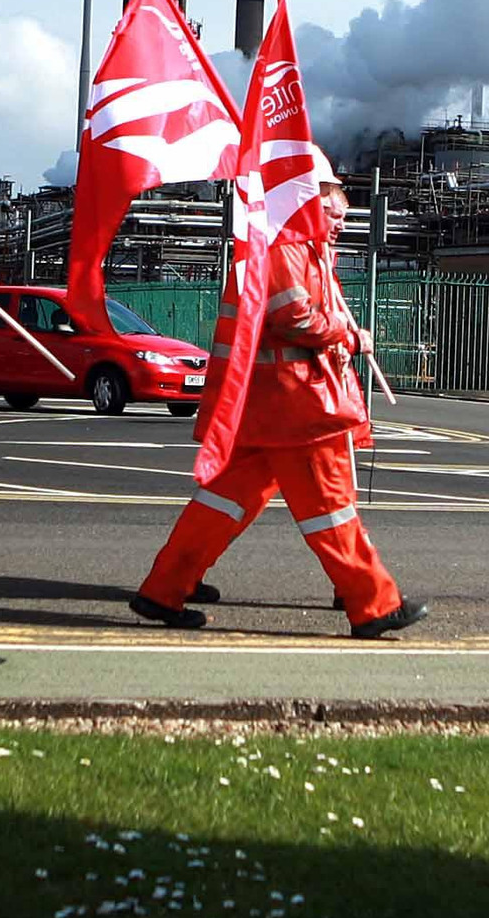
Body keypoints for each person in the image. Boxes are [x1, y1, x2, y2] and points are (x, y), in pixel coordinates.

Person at [128, 146, 426, 638]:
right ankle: (373, 606)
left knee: (222, 502)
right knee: (331, 507)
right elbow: (293, 317)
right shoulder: (285, 245)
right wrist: (350, 336)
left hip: (268, 405)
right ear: (307, 196)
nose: (340, 222)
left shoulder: (291, 244)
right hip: (299, 407)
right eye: (332, 209)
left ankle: (163, 590)